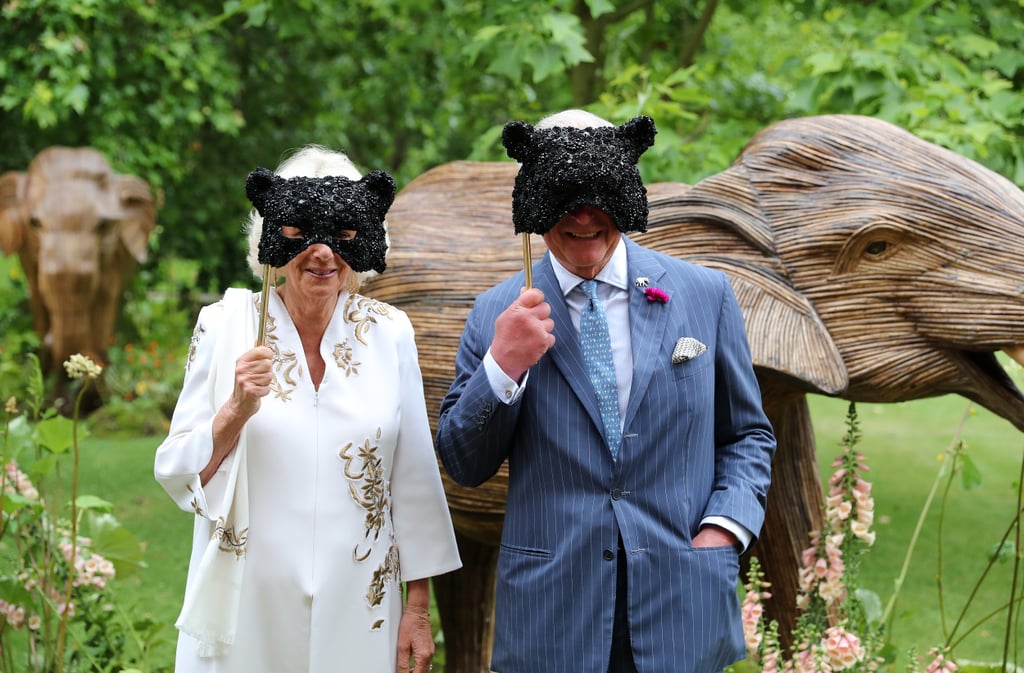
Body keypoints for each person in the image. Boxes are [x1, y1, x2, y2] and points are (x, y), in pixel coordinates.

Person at [435, 110, 776, 673]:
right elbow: (463, 463)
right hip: (553, 613)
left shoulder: (704, 295)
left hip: (680, 600)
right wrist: (503, 364)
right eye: (564, 200)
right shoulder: (496, 311)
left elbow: (747, 434)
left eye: (599, 197)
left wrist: (725, 528)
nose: (584, 217)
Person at [155, 145, 461, 673]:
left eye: (342, 236)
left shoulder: (390, 332)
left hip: (362, 603)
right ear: (272, 238)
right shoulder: (225, 325)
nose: (323, 254)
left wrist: (416, 607)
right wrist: (235, 409)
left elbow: (412, 477)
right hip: (249, 600)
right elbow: (179, 473)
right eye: (301, 233)